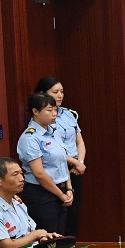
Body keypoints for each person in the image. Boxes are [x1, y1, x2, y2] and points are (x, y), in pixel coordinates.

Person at [35, 78, 86, 236]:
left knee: (73, 212)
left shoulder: (68, 114)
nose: (60, 95)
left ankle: (71, 246)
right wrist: (74, 162)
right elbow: (53, 148)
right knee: (57, 216)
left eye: (62, 92)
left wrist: (80, 162)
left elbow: (79, 140)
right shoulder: (44, 119)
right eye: (55, 92)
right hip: (57, 168)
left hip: (76, 167)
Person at [16, 92, 73, 235]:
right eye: (49, 110)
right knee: (48, 238)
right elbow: (39, 173)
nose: (54, 113)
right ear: (35, 111)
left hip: (60, 190)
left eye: (55, 110)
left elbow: (62, 162)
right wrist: (61, 195)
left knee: (61, 235)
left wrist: (69, 189)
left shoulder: (54, 131)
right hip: (41, 194)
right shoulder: (30, 138)